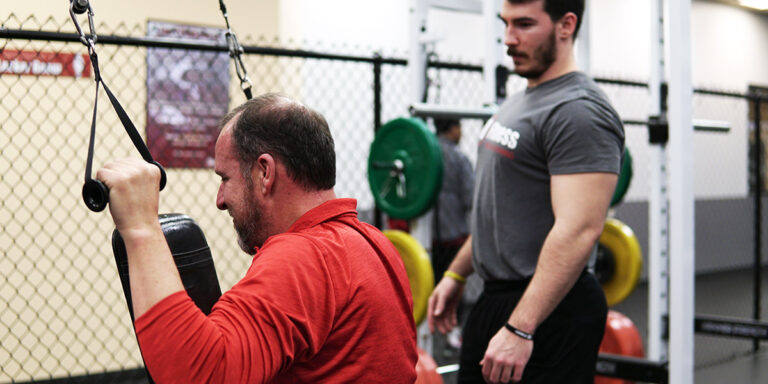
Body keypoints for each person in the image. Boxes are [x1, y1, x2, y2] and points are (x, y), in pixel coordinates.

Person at [96, 93, 418, 383]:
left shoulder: (302, 258)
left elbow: (199, 375)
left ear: (265, 172)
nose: (220, 199)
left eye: (225, 178)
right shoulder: (377, 245)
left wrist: (140, 228)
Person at [427, 1, 625, 383]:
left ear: (566, 25)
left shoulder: (579, 110)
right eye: (505, 24)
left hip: (548, 309)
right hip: (498, 298)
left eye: (524, 24)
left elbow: (580, 229)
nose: (509, 38)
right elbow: (499, 210)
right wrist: (457, 273)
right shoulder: (520, 101)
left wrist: (521, 327)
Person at [433, 118, 474, 285]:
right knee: (454, 281)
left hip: (429, 237)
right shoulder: (458, 157)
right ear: (452, 129)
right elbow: (470, 196)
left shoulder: (425, 153)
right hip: (454, 234)